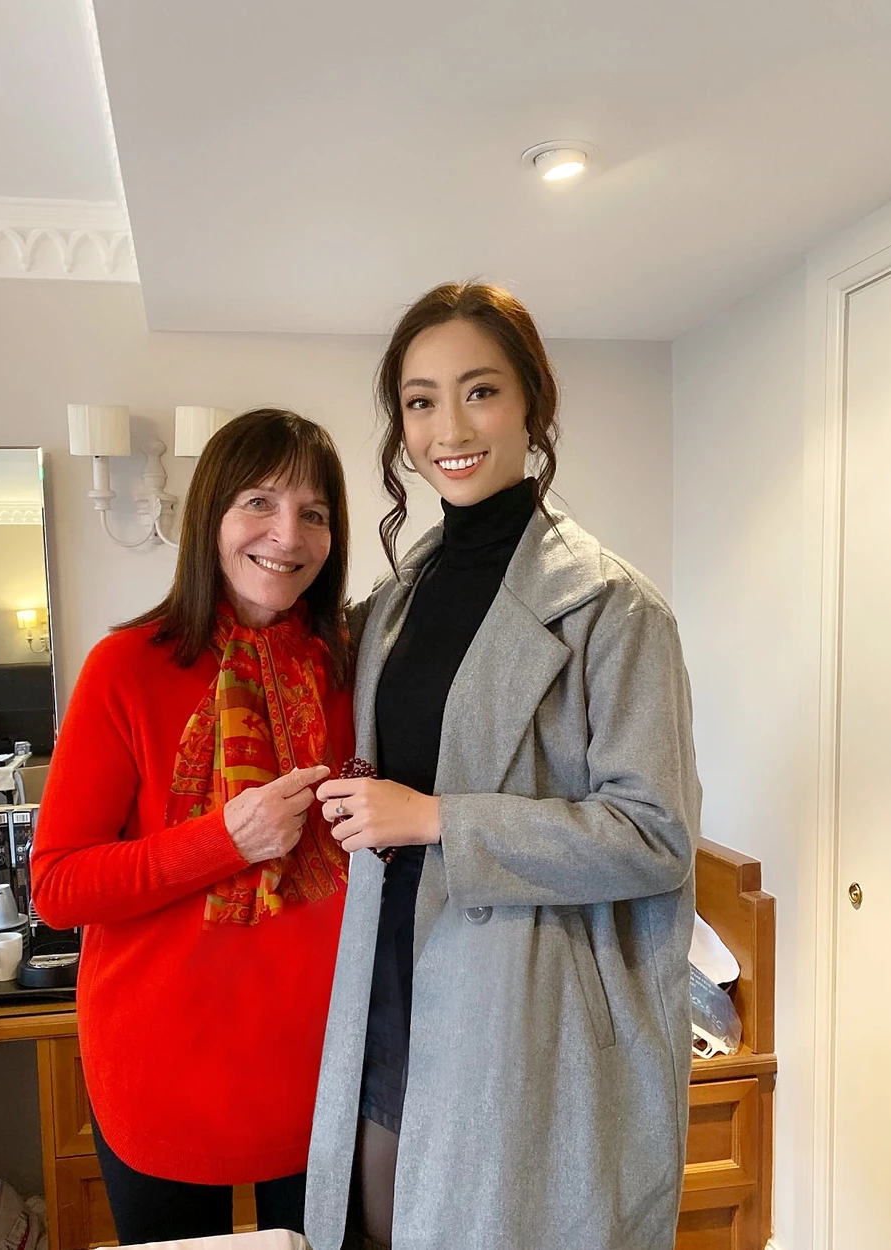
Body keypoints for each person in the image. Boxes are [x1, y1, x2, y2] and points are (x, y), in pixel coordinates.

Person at [304, 284, 701, 1250]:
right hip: (389, 982)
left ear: (532, 402)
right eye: (421, 401)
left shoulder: (616, 609)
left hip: (528, 1011)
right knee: (374, 1224)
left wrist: (439, 818)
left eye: (479, 391)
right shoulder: (394, 604)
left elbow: (655, 837)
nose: (450, 428)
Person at [31, 408, 355, 1243]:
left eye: (314, 512)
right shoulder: (125, 667)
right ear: (211, 513)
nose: (288, 534)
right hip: (161, 1072)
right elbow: (58, 886)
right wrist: (225, 840)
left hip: (323, 1069)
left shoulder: (353, 666)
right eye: (260, 502)